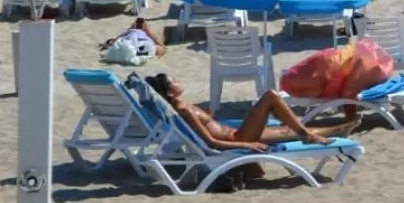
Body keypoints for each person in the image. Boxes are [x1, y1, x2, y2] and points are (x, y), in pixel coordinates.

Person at [145, 73, 344, 149]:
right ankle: (306, 135)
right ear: (171, 92)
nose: (180, 81)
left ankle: (337, 130)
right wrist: (247, 146)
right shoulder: (184, 110)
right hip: (239, 137)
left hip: (238, 133)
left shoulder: (181, 105)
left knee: (285, 130)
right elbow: (211, 142)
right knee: (270, 96)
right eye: (175, 81)